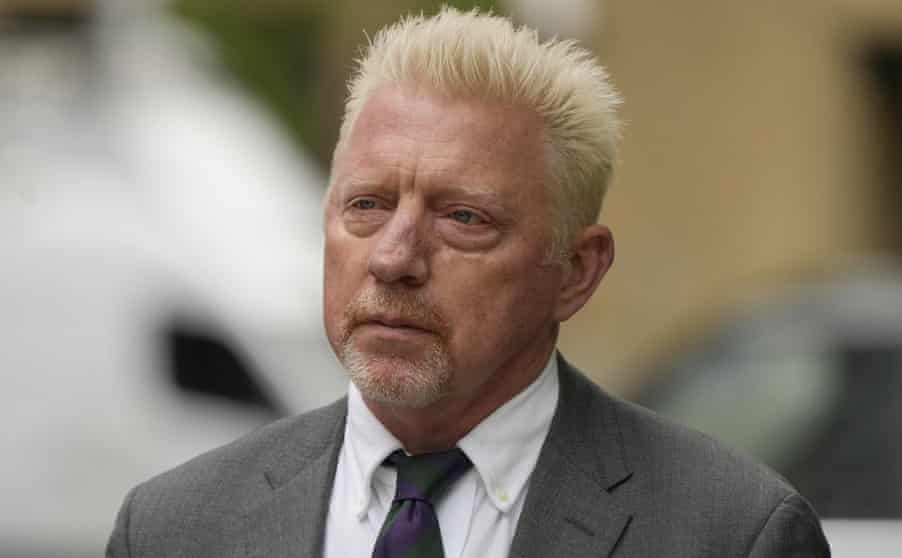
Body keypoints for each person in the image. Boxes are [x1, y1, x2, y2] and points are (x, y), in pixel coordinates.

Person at [106, 7, 830, 557]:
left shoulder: (730, 534)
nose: (394, 258)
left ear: (576, 271)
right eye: (368, 205)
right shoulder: (174, 529)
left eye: (462, 218)